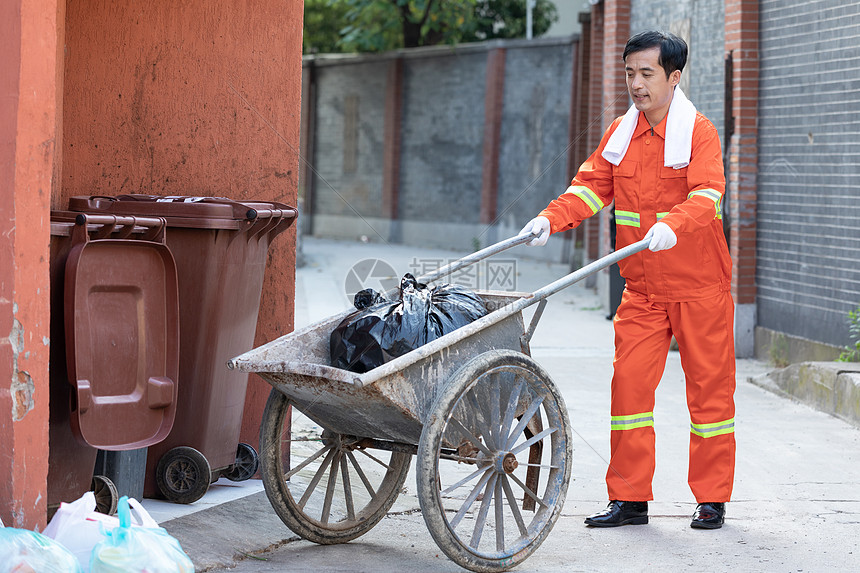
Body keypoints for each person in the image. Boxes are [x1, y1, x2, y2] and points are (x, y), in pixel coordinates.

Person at [519, 30, 735, 530]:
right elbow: (591, 188)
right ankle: (630, 498)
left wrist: (671, 226)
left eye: (647, 74)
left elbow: (708, 195)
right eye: (630, 73)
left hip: (698, 287)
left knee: (709, 397)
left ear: (673, 77)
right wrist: (551, 219)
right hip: (642, 290)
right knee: (629, 391)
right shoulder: (621, 132)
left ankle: (711, 498)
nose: (636, 84)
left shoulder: (697, 133)